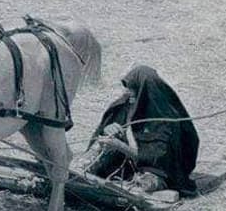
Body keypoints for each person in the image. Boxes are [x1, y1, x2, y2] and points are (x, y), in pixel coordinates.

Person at [76, 65, 200, 196]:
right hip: (126, 164)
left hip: (156, 172)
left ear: (145, 91)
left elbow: (156, 161)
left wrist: (120, 146)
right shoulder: (126, 105)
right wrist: (108, 130)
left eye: (133, 88)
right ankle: (82, 171)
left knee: (146, 182)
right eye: (127, 87)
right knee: (101, 146)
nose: (127, 92)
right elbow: (103, 134)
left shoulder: (165, 120)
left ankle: (130, 190)